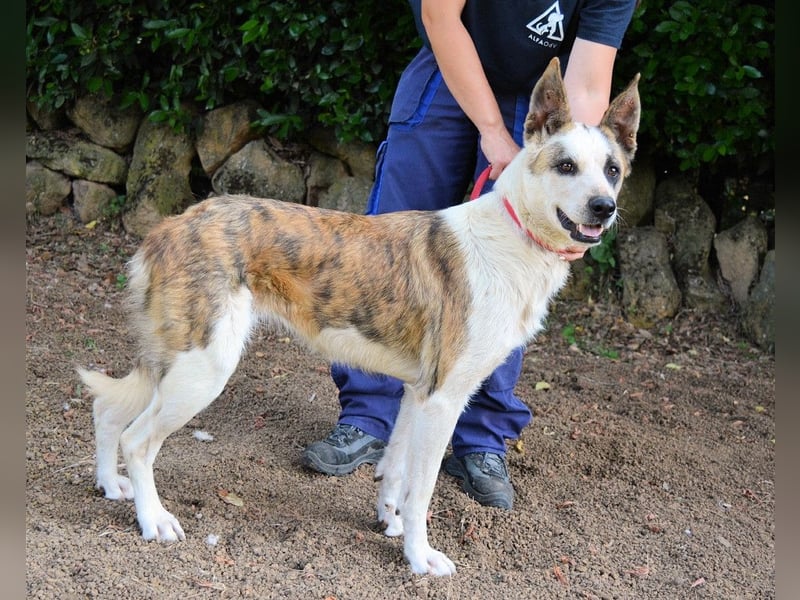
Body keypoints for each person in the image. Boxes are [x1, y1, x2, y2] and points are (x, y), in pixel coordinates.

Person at [302, 0, 637, 510]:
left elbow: (589, 86)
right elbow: (440, 17)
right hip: (450, 60)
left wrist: (574, 204)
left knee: (514, 270)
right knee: (387, 248)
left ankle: (481, 439)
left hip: (540, 95)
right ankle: (367, 417)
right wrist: (495, 136)